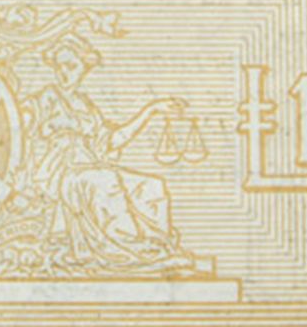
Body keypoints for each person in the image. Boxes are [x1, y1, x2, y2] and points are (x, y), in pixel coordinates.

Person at [21, 33, 194, 272]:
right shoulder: (46, 98)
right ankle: (126, 248)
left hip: (91, 168)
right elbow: (19, 122)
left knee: (151, 185)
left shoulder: (86, 106)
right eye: (59, 66)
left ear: (84, 68)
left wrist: (151, 110)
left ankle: (157, 247)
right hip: (62, 174)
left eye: (71, 66)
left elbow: (112, 140)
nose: (64, 73)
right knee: (105, 179)